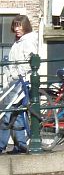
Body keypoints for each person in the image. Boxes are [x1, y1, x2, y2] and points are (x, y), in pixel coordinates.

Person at [0, 15, 38, 153]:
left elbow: (30, 62)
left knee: (7, 113)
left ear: (25, 26)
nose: (17, 29)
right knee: (16, 114)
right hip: (14, 82)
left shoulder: (27, 41)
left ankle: (1, 145)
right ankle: (20, 145)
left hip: (21, 82)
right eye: (15, 26)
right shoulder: (18, 41)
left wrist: (16, 74)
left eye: (19, 26)